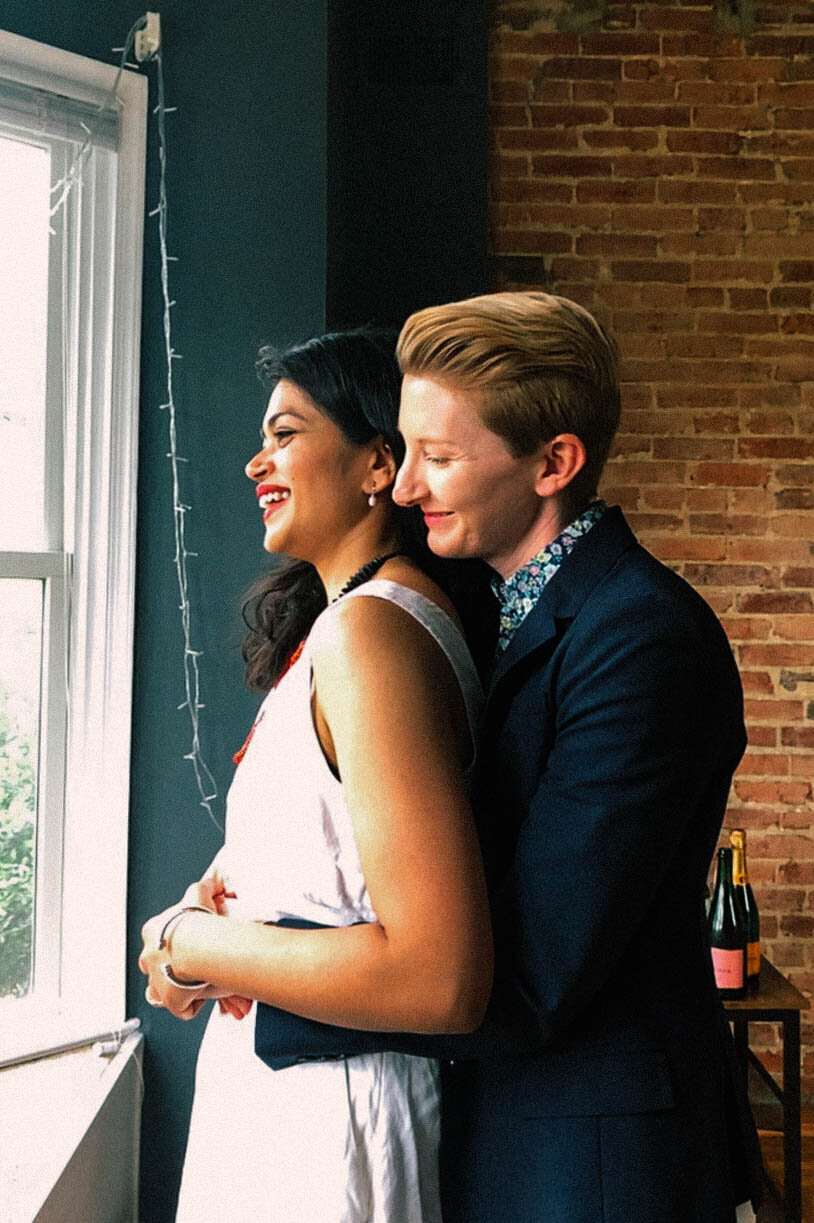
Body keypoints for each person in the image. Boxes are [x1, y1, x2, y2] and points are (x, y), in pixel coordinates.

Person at [389, 290, 763, 1223]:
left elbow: (535, 970)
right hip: (518, 1133)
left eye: (437, 457)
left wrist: (263, 986)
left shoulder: (642, 637)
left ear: (554, 462)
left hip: (601, 1166)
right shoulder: (493, 616)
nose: (404, 487)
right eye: (404, 451)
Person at [138, 327, 492, 1223]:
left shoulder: (372, 632)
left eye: (287, 432)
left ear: (380, 463)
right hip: (290, 1113)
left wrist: (194, 944)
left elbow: (438, 975)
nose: (257, 460)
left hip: (331, 1126)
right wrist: (201, 930)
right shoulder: (347, 628)